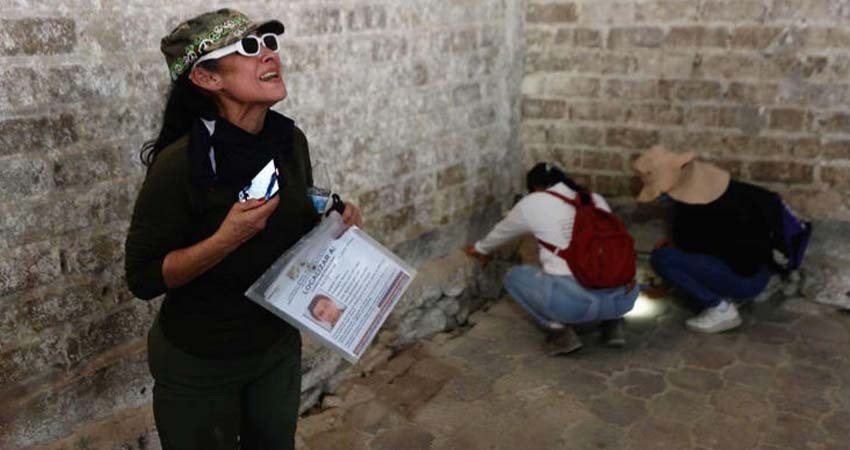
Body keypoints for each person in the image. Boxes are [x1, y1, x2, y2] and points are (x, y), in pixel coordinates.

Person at [124, 9, 362, 450]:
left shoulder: (289, 141)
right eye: (249, 47)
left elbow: (296, 225)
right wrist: (226, 239)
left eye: (269, 43)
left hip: (276, 347)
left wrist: (335, 219)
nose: (269, 54)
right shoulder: (180, 166)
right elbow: (143, 278)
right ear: (207, 77)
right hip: (201, 360)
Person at [465, 162, 639, 355]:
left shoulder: (533, 202)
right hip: (623, 299)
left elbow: (500, 233)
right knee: (605, 267)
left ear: (535, 187)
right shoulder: (593, 198)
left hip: (575, 305)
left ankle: (559, 333)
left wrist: (479, 249)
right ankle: (613, 325)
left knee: (513, 276)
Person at [633, 145, 773, 333]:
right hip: (762, 270)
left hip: (745, 280)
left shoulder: (689, 208)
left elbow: (689, 245)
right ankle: (729, 294)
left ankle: (720, 309)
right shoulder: (720, 184)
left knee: (663, 258)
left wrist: (671, 247)